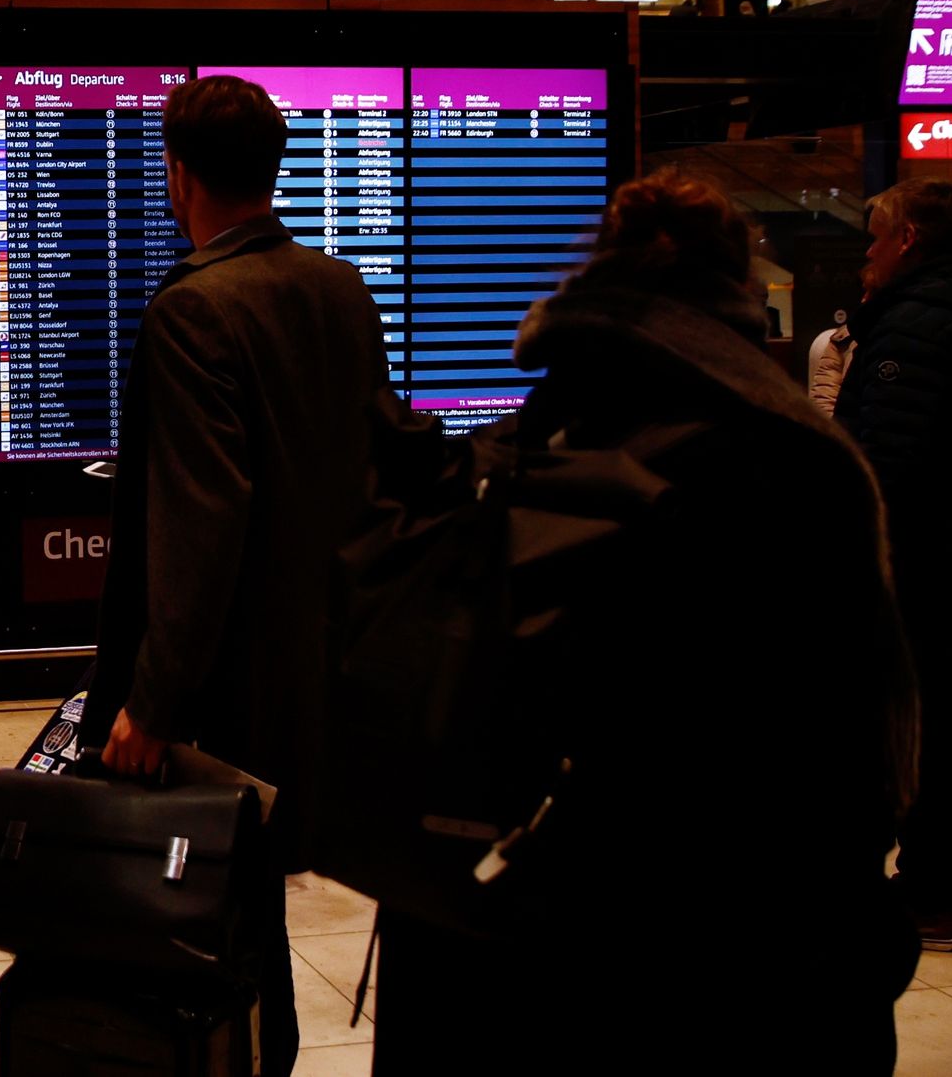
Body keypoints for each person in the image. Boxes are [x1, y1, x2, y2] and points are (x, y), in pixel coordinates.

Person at [376, 172, 920, 1073]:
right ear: (740, 294)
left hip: (514, 926)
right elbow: (858, 741)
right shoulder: (799, 461)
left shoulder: (516, 449)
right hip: (735, 940)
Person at [81, 75, 388, 1075]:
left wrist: (151, 699)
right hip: (322, 661)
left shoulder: (192, 310)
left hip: (224, 687)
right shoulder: (337, 288)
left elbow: (200, 517)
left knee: (206, 926)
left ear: (175, 173)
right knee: (253, 914)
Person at [837, 177, 952, 951]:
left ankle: (934, 886)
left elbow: (884, 463)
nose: (864, 260)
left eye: (874, 239)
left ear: (907, 239)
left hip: (921, 565)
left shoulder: (916, 322)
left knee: (926, 722)